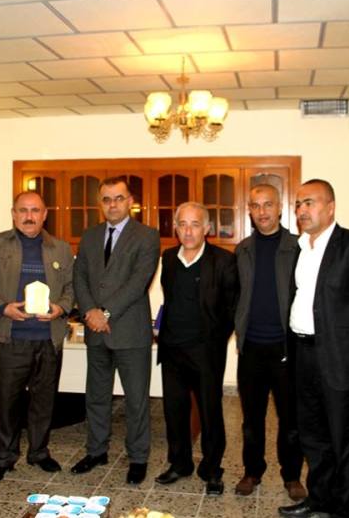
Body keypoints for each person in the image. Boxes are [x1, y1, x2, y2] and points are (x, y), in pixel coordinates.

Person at [279, 179, 349, 518]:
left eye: (309, 202)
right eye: (298, 204)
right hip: (302, 355)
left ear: (330, 207)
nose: (301, 210)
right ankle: (319, 500)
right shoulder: (301, 248)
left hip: (340, 359)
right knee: (312, 437)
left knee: (344, 441)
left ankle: (345, 510)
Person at [0, 191, 74, 483]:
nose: (29, 216)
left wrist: (61, 308)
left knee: (44, 400)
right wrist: (3, 307)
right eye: (23, 210)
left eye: (35, 210)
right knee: (7, 400)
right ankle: (4, 457)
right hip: (11, 337)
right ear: (13, 214)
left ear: (45, 215)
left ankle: (39, 453)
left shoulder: (61, 249)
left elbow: (72, 287)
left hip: (48, 339)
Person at [71, 176, 160, 485]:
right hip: (96, 331)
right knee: (96, 397)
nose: (112, 204)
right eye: (107, 199)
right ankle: (96, 451)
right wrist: (89, 312)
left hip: (130, 332)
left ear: (130, 201)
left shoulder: (147, 236)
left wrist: (104, 312)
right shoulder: (90, 236)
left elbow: (139, 282)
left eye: (119, 198)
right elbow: (79, 276)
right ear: (101, 203)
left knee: (136, 400)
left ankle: (138, 457)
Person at [155, 202, 237, 495]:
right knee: (174, 411)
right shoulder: (168, 258)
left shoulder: (224, 261)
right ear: (175, 228)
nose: (188, 231)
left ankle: (212, 469)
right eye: (182, 224)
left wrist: (213, 342)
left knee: (210, 412)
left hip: (205, 352)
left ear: (207, 228)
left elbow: (231, 310)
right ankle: (180, 464)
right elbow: (170, 298)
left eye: (195, 224)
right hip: (172, 350)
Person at [233, 184, 306, 500]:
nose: (262, 211)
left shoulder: (298, 247)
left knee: (291, 420)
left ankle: (292, 476)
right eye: (255, 205)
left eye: (268, 204)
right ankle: (252, 472)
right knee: (251, 419)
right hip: (250, 348)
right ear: (249, 210)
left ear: (279, 208)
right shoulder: (243, 249)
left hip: (286, 349)